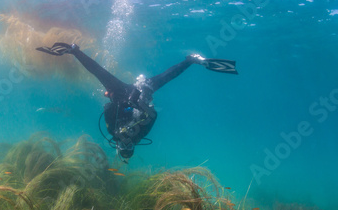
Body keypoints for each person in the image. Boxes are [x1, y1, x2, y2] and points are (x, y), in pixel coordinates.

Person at [36, 42, 238, 161]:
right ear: (133, 147)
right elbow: (154, 115)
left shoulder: (111, 130)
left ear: (117, 146)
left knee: (100, 74)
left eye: (123, 147)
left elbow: (108, 108)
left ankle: (74, 50)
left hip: (121, 93)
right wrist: (141, 105)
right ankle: (191, 60)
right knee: (163, 79)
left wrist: (116, 99)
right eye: (129, 147)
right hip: (140, 94)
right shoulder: (141, 133)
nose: (126, 143)